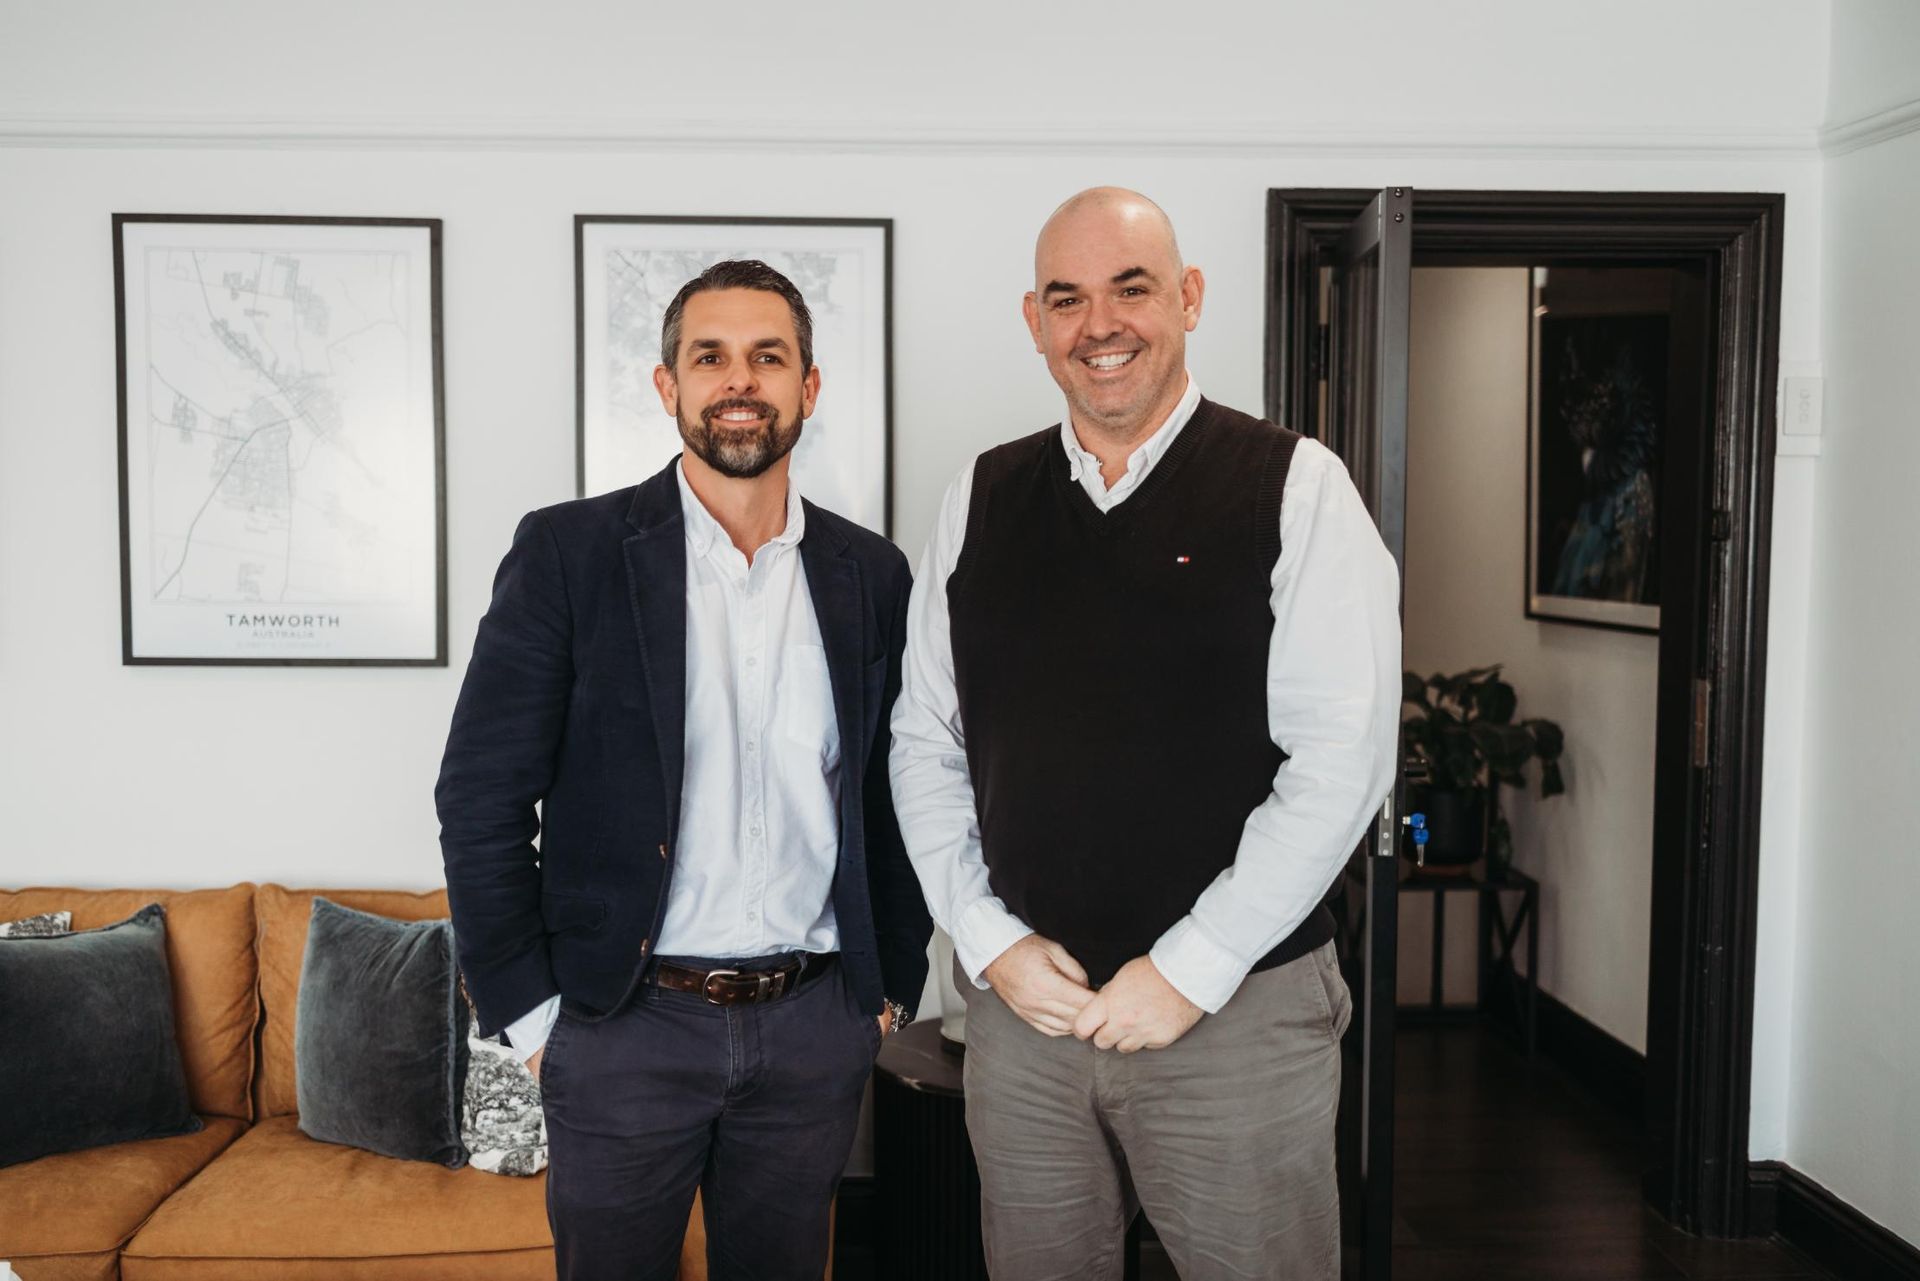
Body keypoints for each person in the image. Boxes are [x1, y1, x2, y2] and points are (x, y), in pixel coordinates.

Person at [889, 188, 1400, 1280]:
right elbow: (924, 739)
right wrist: (986, 940)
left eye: (1131, 288)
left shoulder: (1296, 488)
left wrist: (1191, 968)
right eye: (1067, 299)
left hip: (1238, 1013)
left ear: (1190, 297)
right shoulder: (981, 495)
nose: (1100, 325)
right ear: (1034, 320)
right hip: (1028, 1019)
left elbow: (1342, 760)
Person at [437, 259, 930, 1281]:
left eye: (768, 357)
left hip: (812, 1028)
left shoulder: (872, 575)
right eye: (710, 357)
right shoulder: (570, 553)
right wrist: (533, 1018)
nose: (739, 380)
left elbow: (899, 789)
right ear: (669, 386)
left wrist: (889, 988)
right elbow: (481, 796)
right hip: (621, 1028)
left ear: (809, 386)